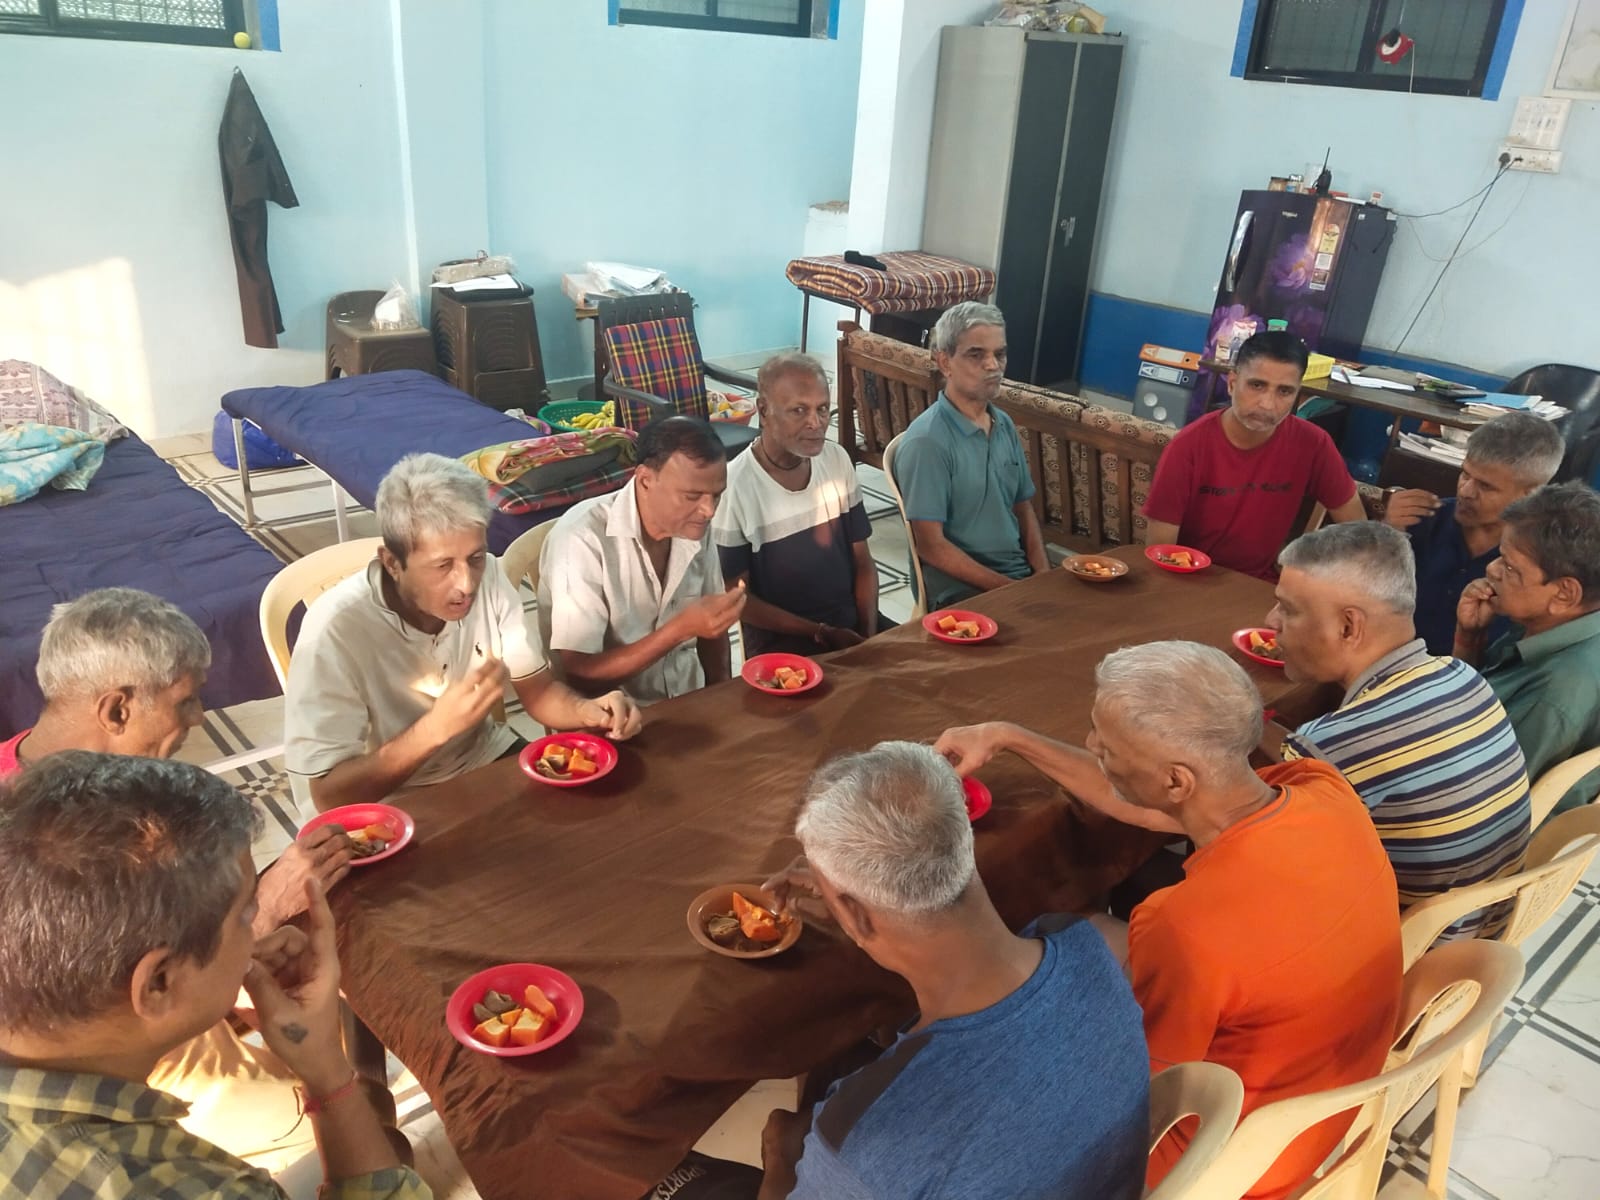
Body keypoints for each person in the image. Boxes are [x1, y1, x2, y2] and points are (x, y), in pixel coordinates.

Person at [935, 643, 1402, 1200]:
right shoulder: (1320, 787)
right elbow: (1148, 806)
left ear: (1177, 782)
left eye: (1106, 747)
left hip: (1235, 1157)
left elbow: (1145, 1086)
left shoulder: (1182, 924)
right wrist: (1009, 736)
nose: (1091, 745)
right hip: (1340, 1091)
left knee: (991, 1075)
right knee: (1071, 930)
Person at [657, 741, 1148, 1199]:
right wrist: (859, 909)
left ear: (854, 915)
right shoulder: (1098, 948)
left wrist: (782, 1157)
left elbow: (852, 1153)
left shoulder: (861, 1149)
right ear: (962, 842)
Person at [0, 588, 364, 1171]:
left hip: (140, 1018)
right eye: (186, 702)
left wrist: (237, 943)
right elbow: (99, 1008)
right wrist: (259, 911)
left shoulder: (117, 785)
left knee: (331, 1018)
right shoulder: (44, 842)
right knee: (338, 1103)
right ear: (117, 711)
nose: (199, 718)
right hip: (105, 1066)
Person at [0, 752, 430, 1199]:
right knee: (383, 1142)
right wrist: (326, 1071)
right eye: (246, 913)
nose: (258, 929)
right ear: (159, 984)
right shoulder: (197, 1188)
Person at [286, 453, 640, 811]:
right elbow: (329, 796)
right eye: (443, 565)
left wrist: (586, 710)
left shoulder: (490, 577)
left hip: (480, 758)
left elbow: (539, 692)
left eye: (475, 557)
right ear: (392, 563)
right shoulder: (332, 631)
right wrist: (435, 730)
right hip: (383, 797)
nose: (467, 584)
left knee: (599, 812)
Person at [1266, 523, 1531, 928]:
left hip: (1407, 949)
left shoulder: (1330, 745)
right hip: (1485, 931)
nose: (1271, 620)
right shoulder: (1463, 675)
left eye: (1288, 609)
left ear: (1348, 627)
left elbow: (1270, 866)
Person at [539, 416, 745, 704]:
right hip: (612, 715)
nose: (709, 510)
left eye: (716, 495)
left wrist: (721, 698)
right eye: (692, 495)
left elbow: (713, 631)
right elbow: (579, 674)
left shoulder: (694, 524)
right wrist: (680, 629)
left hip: (688, 701)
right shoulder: (582, 539)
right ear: (645, 479)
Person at [1142, 330, 1365, 581]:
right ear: (1232, 383)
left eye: (1284, 391)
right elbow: (1161, 554)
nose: (1267, 404)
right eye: (1257, 385)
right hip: (1190, 581)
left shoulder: (1314, 444)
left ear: (1298, 395)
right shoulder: (1188, 447)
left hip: (1262, 586)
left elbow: (1358, 529)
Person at [712, 353, 879, 657]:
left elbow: (864, 563)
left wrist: (867, 637)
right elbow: (736, 597)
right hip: (782, 643)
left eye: (823, 408)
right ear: (764, 411)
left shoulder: (836, 459)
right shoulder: (735, 486)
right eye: (799, 410)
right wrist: (821, 632)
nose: (816, 423)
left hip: (849, 628)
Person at [1454, 482, 1600, 815]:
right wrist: (1469, 638)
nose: (1491, 570)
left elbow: (1480, 803)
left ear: (1564, 594)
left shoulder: (1554, 694)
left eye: (1510, 568)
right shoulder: (1545, 624)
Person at [892, 302, 1049, 609]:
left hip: (1016, 576)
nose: (993, 366)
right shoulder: (928, 442)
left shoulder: (1003, 424)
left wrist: (1043, 576)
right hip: (960, 590)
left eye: (999, 354)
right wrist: (1012, 592)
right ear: (944, 362)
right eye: (976, 354)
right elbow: (931, 547)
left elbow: (1023, 507)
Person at [1383, 411, 1565, 654]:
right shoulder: (1421, 520)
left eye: (1486, 486)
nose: (1465, 491)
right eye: (1465, 474)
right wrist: (1388, 533)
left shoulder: (1540, 562)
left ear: (1531, 493)